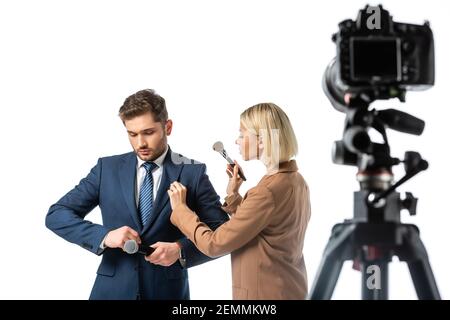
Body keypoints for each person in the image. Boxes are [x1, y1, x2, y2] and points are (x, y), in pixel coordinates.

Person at [45, 89, 229, 300]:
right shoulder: (107, 168)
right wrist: (105, 236)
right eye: (132, 134)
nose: (140, 143)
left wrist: (180, 250)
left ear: (167, 127)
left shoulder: (192, 172)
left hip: (168, 293)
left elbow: (222, 233)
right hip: (111, 292)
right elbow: (57, 214)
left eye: (148, 132)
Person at [168, 103, 311, 299]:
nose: (237, 141)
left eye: (242, 135)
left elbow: (214, 244)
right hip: (289, 288)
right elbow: (263, 227)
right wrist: (234, 194)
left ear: (261, 141)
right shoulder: (295, 180)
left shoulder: (266, 192)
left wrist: (180, 210)